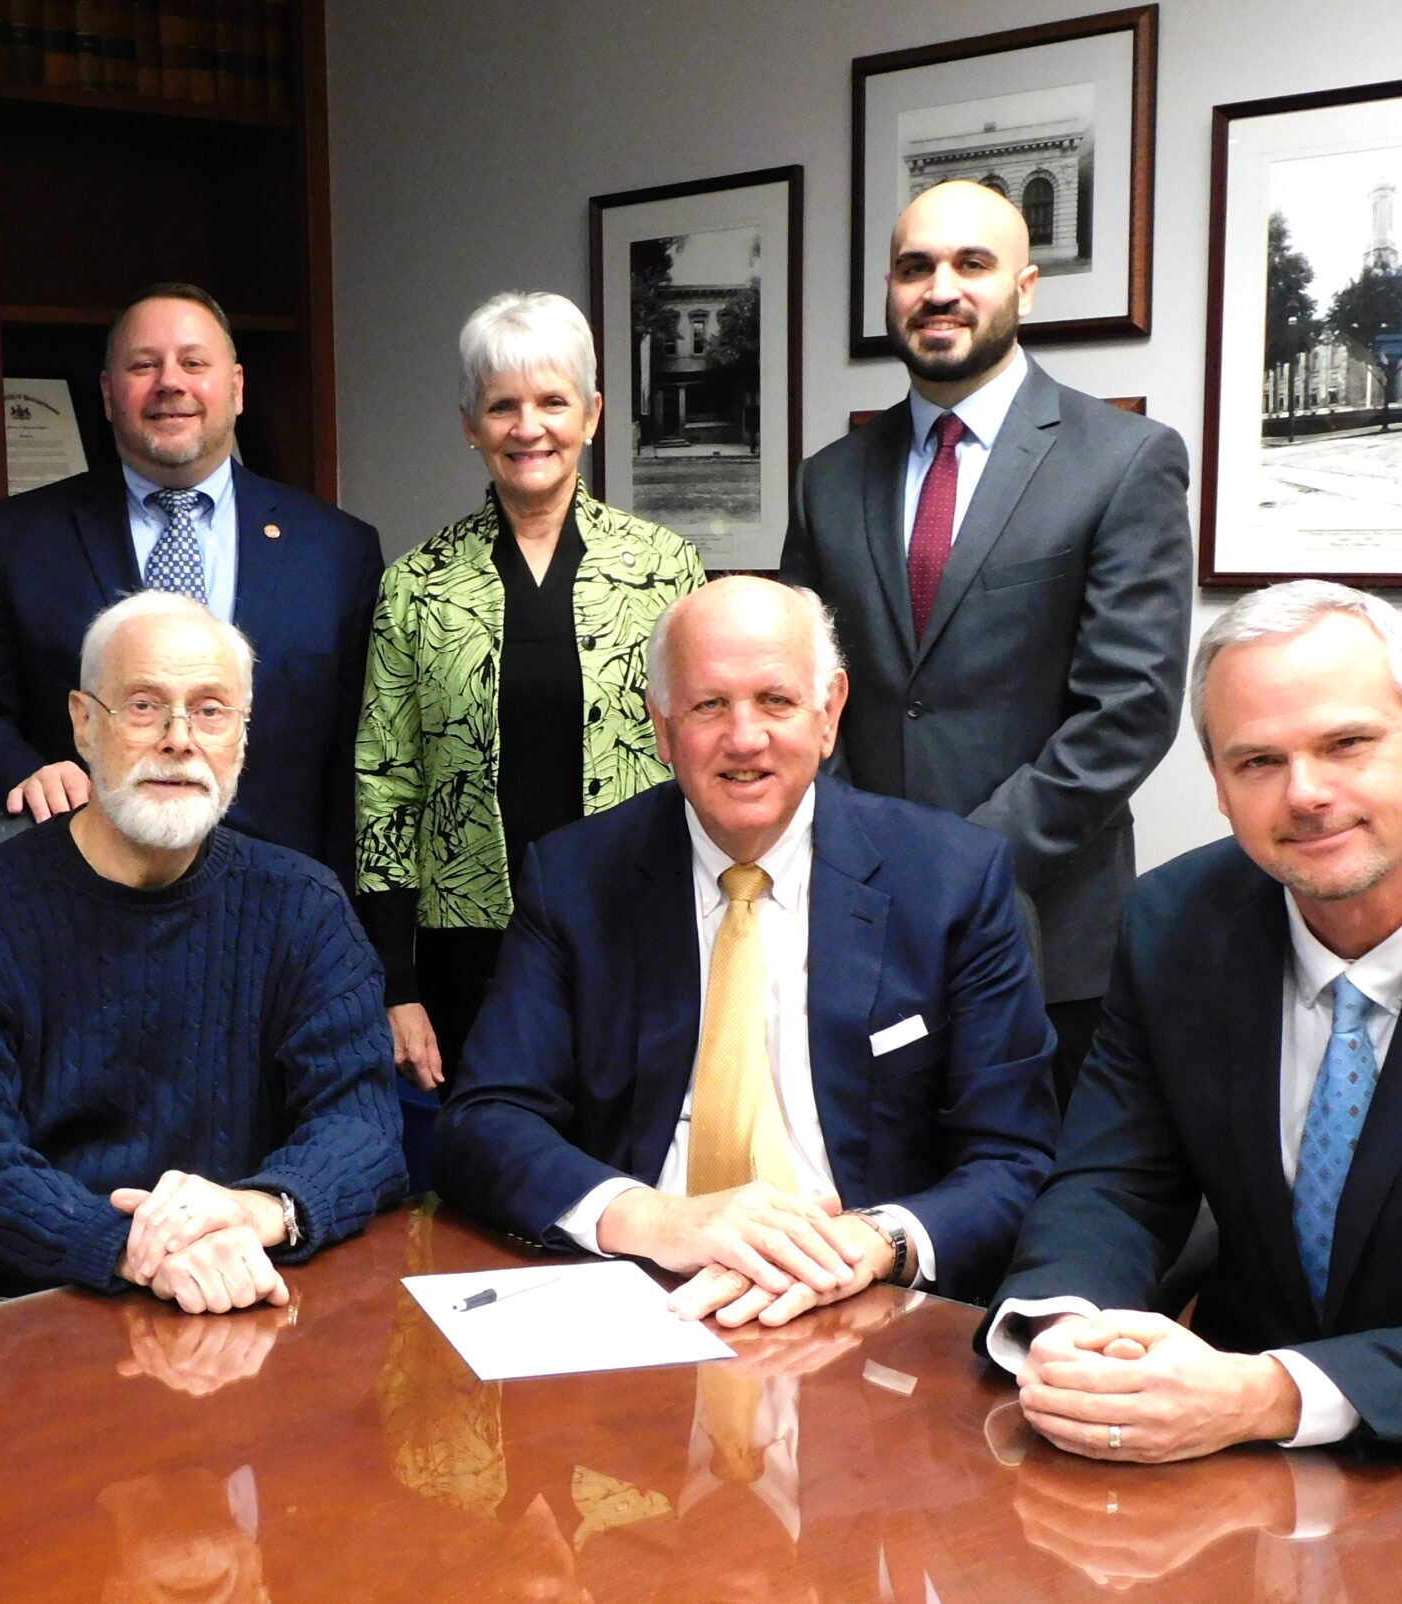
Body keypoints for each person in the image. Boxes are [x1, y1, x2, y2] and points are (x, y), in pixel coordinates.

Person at [983, 581, 1402, 1468]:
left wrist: (1276, 1392)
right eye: (1258, 762)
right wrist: (1067, 1326)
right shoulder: (1173, 923)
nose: (1307, 793)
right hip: (1233, 1460)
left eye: (1347, 743)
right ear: (1217, 786)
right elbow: (1117, 1179)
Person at [436, 577, 1057, 1323]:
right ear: (661, 728)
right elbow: (486, 1120)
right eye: (708, 705)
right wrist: (656, 1219)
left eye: (776, 700)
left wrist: (880, 1240)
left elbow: (1016, 1159)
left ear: (828, 715)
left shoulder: (952, 880)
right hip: (645, 1295)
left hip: (854, 1298)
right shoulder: (574, 879)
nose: (744, 738)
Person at [0, 592, 405, 1322]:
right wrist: (137, 1248)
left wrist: (258, 1211)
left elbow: (363, 1126)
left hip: (230, 1268)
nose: (179, 739)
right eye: (145, 706)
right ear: (84, 723)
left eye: (211, 711)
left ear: (242, 739)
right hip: (0, 1291)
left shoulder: (304, 906)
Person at [779, 179, 1193, 1103]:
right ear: (890, 289)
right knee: (873, 1206)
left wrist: (961, 870)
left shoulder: (1124, 460)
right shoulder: (828, 481)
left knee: (1038, 1216)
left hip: (1043, 933)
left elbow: (1129, 709)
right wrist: (859, 864)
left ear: (1027, 287)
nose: (940, 289)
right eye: (915, 267)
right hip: (856, 920)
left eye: (972, 264)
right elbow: (799, 694)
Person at [356, 290, 703, 1094]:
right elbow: (386, 785)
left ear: (591, 414)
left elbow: (697, 754)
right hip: (466, 948)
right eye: (502, 406)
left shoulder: (664, 569)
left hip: (634, 926)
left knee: (630, 1158)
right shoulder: (417, 584)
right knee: (485, 1162)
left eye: (552, 401)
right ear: (471, 425)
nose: (528, 427)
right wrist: (395, 983)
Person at [0, 283, 382, 878]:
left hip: (279, 902)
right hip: (79, 890)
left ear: (236, 389)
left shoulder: (337, 549)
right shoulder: (17, 539)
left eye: (194, 362)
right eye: (145, 365)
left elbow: (364, 752)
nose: (171, 382)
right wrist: (24, 772)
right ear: (110, 394)